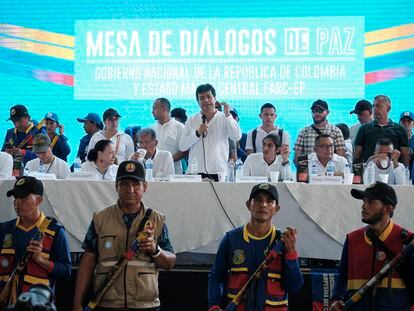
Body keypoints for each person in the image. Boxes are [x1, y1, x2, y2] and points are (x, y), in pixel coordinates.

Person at [72, 160, 176, 310]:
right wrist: (77, 303)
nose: (130, 190)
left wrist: (155, 250)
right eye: (124, 184)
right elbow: (88, 263)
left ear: (145, 187)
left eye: (136, 184)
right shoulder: (100, 219)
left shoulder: (156, 219)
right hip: (107, 303)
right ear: (116, 187)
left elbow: (170, 262)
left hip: (145, 305)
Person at [208, 183, 303, 310]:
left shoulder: (283, 242)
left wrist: (291, 253)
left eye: (269, 201)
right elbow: (216, 276)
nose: (263, 204)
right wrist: (214, 306)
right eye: (258, 200)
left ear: (277, 209)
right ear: (248, 205)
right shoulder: (231, 239)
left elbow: (294, 287)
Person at [330, 181, 414, 310]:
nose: (364, 206)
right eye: (364, 201)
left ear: (388, 208)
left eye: (371, 202)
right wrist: (336, 299)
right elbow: (342, 276)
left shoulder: (407, 242)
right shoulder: (352, 239)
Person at [0, 176, 71, 296]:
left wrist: (41, 260)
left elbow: (66, 271)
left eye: (23, 197)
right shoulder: (4, 228)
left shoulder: (55, 232)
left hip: (38, 302)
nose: (17, 202)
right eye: (15, 197)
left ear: (38, 200)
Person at [179, 83, 241, 181]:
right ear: (198, 102)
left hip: (218, 172)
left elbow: (237, 136)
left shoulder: (224, 118)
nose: (206, 100)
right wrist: (197, 133)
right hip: (195, 172)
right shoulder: (192, 120)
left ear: (215, 99)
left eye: (209, 97)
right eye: (202, 98)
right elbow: (182, 146)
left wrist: (228, 115)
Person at [354, 95, 409, 167]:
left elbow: (405, 156)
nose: (375, 109)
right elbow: (357, 155)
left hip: (393, 174)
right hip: (370, 173)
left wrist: (405, 175)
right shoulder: (364, 129)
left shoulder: (400, 129)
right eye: (373, 106)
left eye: (379, 106)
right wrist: (357, 175)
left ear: (388, 108)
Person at [294, 99, 345, 166]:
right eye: (314, 111)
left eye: (320, 110)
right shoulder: (304, 132)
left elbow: (340, 158)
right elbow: (297, 158)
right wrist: (303, 172)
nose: (317, 113)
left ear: (327, 112)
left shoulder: (336, 131)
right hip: (309, 173)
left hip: (330, 173)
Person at [2, 105, 46, 173]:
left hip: (34, 171)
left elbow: (44, 154)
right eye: (13, 121)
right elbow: (2, 153)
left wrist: (23, 153)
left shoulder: (39, 131)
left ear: (28, 117)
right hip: (14, 171)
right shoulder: (10, 133)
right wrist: (7, 153)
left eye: (19, 120)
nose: (16, 124)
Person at [152, 98, 186, 174]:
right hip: (154, 172)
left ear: (164, 108)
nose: (152, 112)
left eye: (154, 108)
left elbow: (184, 151)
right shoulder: (151, 129)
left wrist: (167, 161)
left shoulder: (179, 127)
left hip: (174, 173)